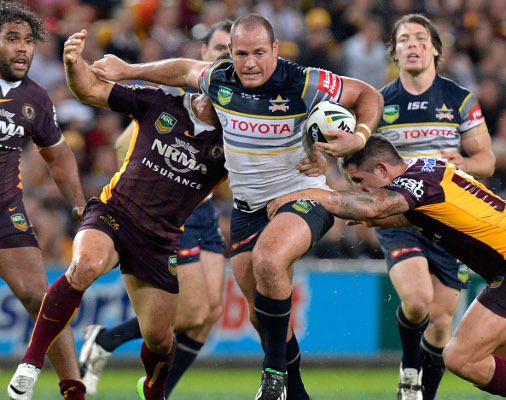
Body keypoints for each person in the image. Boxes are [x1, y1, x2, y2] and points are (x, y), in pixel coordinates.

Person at [90, 13, 383, 400]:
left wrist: (359, 137)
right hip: (247, 209)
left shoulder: (302, 80)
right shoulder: (219, 79)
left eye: (260, 52)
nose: (250, 62)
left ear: (275, 50)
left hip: (301, 196)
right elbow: (182, 70)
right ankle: (295, 393)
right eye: (241, 53)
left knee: (269, 261)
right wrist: (129, 70)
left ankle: (273, 374)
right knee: (261, 317)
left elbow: (368, 95)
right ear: (229, 52)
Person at [267, 135, 506, 400]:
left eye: (358, 180)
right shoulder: (427, 169)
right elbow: (419, 214)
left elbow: (372, 207)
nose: (358, 189)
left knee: (459, 357)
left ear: (383, 170)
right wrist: (374, 216)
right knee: (502, 366)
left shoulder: (415, 184)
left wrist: (308, 195)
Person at [8, 28, 230, 400]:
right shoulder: (162, 104)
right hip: (115, 214)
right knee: (85, 266)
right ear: (202, 79)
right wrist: (72, 63)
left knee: (160, 341)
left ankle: (154, 391)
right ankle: (31, 363)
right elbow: (91, 91)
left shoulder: (235, 143)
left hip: (160, 240)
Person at [77, 20, 234, 398]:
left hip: (207, 212)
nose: (228, 61)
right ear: (203, 57)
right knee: (193, 312)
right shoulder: (179, 100)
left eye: (235, 54)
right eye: (220, 52)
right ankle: (106, 340)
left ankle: (160, 394)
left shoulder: (242, 107)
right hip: (178, 211)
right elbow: (124, 144)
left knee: (209, 314)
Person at [375, 13, 495, 400]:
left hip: (450, 220)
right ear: (394, 52)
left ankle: (419, 396)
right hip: (401, 217)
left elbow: (487, 160)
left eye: (420, 38)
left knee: (441, 325)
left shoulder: (459, 99)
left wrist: (465, 164)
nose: (412, 44)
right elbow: (358, 160)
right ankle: (409, 370)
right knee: (417, 302)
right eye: (404, 39)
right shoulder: (378, 104)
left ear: (436, 49)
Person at [1, 3, 86, 400]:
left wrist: (79, 204)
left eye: (28, 41)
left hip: (6, 214)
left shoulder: (34, 97)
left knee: (41, 298)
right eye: (12, 39)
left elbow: (59, 155)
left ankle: (73, 391)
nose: (22, 49)